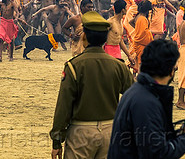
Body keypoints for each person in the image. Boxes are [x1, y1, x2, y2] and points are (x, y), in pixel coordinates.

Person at [50, 11, 134, 159]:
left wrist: (57, 141)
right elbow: (135, 98)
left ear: (84, 36)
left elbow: (64, 105)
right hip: (111, 131)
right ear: (105, 37)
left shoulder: (74, 66)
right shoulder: (118, 66)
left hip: (81, 132)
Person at [108, 39, 185, 158]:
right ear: (171, 70)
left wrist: (177, 134)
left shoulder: (137, 91)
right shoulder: (146, 102)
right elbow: (157, 153)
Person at [106, 0, 135, 65]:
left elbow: (120, 40)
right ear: (122, 10)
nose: (127, 9)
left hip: (117, 50)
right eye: (126, 7)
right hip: (109, 50)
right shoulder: (110, 22)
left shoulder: (121, 22)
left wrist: (129, 55)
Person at [129, 0, 154, 73]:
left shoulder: (138, 16)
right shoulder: (142, 18)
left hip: (138, 42)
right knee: (142, 64)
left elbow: (131, 22)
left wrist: (137, 29)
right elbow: (144, 33)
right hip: (142, 43)